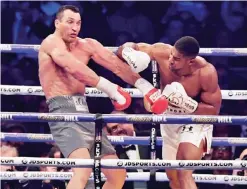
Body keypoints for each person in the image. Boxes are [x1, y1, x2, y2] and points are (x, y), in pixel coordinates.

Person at [38, 5, 168, 189]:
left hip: (85, 112)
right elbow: (72, 67)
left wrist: (146, 87)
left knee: (117, 174)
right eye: (69, 22)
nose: (75, 27)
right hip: (63, 112)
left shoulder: (87, 45)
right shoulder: (51, 43)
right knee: (82, 169)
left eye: (78, 23)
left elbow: (116, 66)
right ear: (57, 23)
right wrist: (110, 89)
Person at [116, 36, 222, 189]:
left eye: (177, 58)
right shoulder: (162, 52)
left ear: (190, 61)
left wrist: (188, 104)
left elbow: (213, 111)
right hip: (169, 119)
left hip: (194, 120)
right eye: (172, 54)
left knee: (183, 170)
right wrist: (129, 52)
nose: (171, 60)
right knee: (173, 178)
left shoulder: (205, 72)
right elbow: (124, 48)